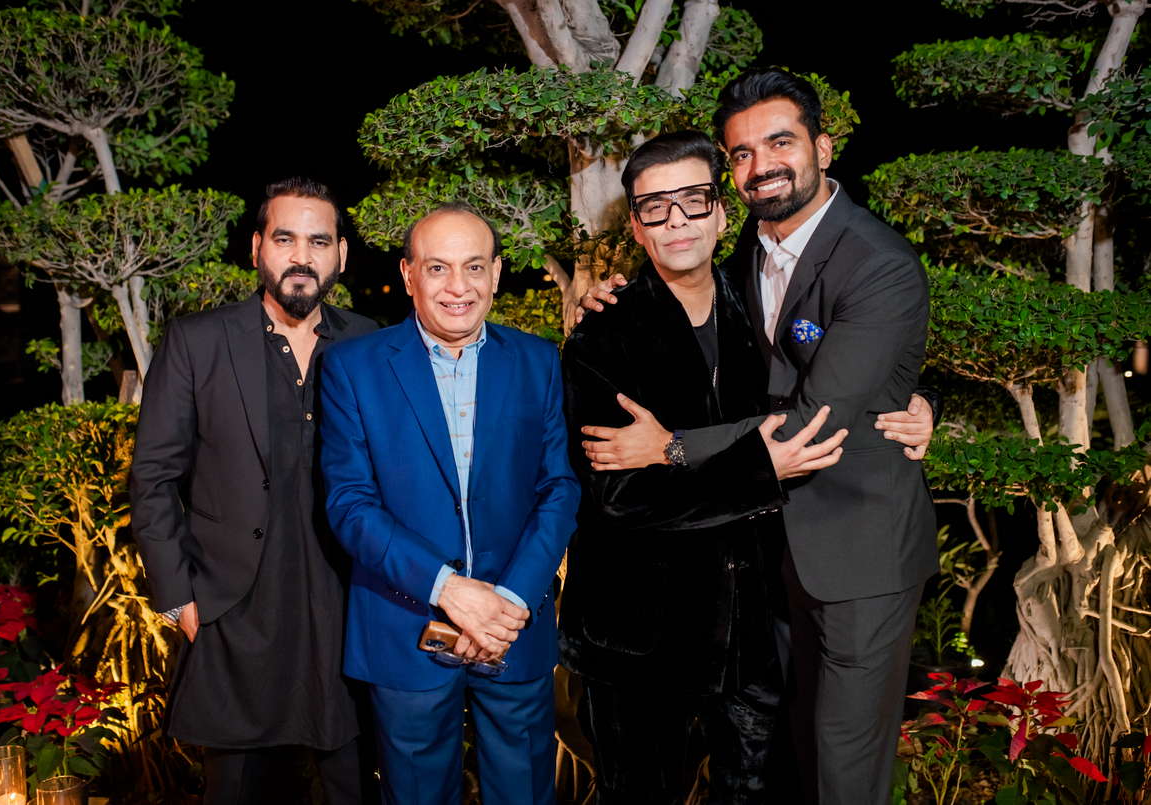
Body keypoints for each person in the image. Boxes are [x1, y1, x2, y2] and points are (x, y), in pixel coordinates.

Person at [578, 69, 939, 805]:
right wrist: (607, 296)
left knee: (841, 764)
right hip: (758, 573)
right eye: (742, 153)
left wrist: (671, 446)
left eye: (780, 142)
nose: (762, 164)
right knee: (789, 762)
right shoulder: (748, 250)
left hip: (856, 549)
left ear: (823, 148)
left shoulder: (877, 261)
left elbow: (812, 415)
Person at [560, 130, 855, 804]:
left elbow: (852, 372)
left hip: (752, 631)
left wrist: (924, 400)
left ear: (722, 212)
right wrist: (759, 469)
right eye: (654, 207)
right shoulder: (604, 334)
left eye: (693, 200)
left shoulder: (765, 307)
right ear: (637, 228)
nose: (676, 221)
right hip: (639, 637)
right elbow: (620, 494)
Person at [318, 203, 579, 805]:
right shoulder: (353, 367)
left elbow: (558, 488)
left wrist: (511, 603)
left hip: (514, 631)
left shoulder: (538, 360)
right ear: (409, 274)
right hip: (404, 627)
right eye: (438, 267)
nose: (458, 287)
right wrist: (449, 590)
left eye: (474, 266)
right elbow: (350, 504)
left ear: (496, 273)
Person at [129, 177, 376, 804]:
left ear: (341, 254)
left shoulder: (370, 341)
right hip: (233, 606)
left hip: (346, 603)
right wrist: (178, 598)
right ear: (257, 247)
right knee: (236, 787)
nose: (302, 256)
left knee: (352, 780)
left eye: (319, 241)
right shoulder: (198, 340)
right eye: (285, 238)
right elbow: (153, 477)